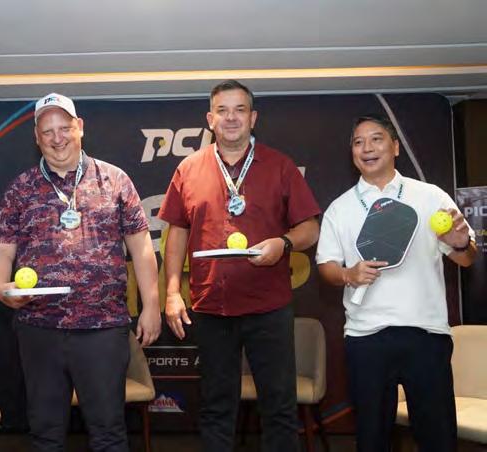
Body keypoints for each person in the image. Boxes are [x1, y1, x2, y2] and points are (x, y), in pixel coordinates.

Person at [0, 92, 161, 451]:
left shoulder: (114, 179)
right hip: (39, 329)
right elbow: (0, 249)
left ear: (79, 127)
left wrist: (152, 306)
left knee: (108, 431)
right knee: (45, 432)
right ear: (37, 137)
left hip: (103, 328)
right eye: (47, 131)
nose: (57, 138)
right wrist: (1, 287)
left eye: (64, 128)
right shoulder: (21, 188)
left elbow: (142, 248)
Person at [158, 80, 321, 452]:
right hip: (211, 307)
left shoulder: (280, 166)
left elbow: (310, 228)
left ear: (253, 117)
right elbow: (177, 233)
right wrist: (171, 292)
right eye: (223, 110)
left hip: (269, 307)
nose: (231, 118)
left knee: (279, 407)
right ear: (210, 119)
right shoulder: (188, 168)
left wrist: (283, 243)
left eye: (240, 110)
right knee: (216, 408)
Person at [316, 114, 476, 452]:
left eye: (376, 139)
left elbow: (466, 259)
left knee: (437, 437)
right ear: (352, 153)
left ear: (395, 147)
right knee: (372, 439)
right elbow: (326, 266)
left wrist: (460, 243)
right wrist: (347, 274)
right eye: (358, 142)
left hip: (426, 334)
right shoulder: (339, 209)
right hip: (365, 337)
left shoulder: (430, 196)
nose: (367, 148)